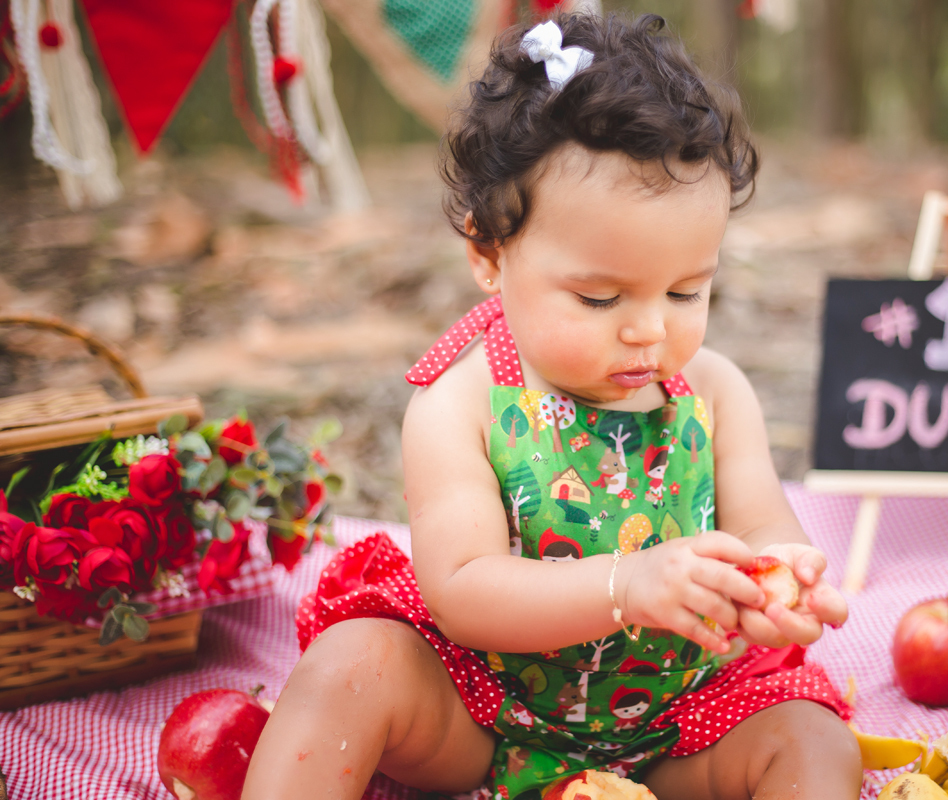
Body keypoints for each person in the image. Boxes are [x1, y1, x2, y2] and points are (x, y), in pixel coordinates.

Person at [243, 12, 860, 800]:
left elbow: (761, 521)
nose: (649, 328)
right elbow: (462, 589)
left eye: (686, 290)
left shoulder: (713, 392)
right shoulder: (459, 404)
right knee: (347, 666)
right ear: (489, 256)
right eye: (599, 297)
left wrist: (780, 578)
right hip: (487, 716)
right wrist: (626, 584)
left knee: (815, 741)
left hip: (681, 722)